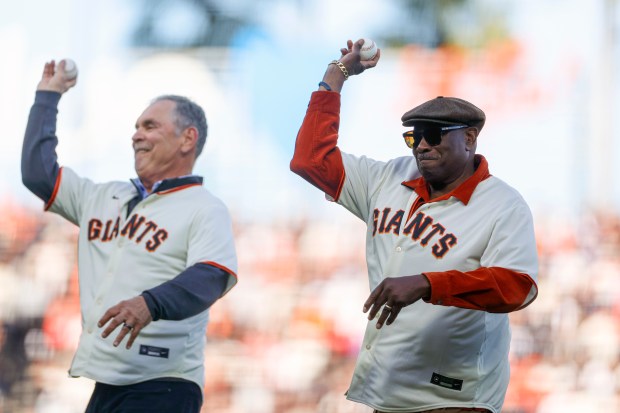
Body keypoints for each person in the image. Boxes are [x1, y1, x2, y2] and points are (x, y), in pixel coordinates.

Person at [290, 39, 538, 413]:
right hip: (388, 389)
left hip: (454, 396)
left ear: (469, 139)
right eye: (414, 136)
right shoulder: (386, 179)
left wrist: (427, 283)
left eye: (434, 135)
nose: (421, 145)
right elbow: (310, 160)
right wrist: (335, 76)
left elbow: (517, 287)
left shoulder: (503, 204)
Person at [21, 60, 238, 413]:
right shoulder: (102, 195)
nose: (137, 134)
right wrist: (47, 97)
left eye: (150, 126)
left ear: (188, 138)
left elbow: (211, 275)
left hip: (165, 385)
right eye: (137, 127)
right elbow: (38, 174)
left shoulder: (204, 207)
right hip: (106, 384)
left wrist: (150, 303)